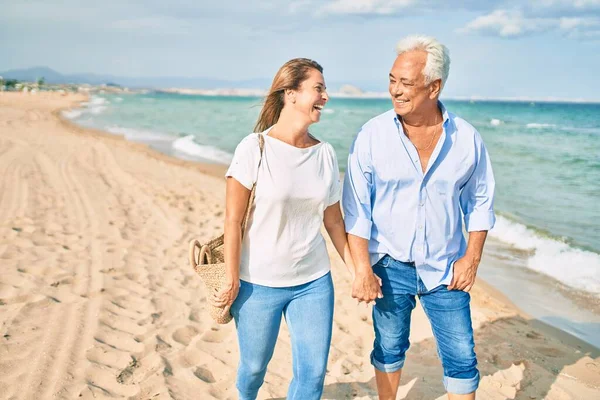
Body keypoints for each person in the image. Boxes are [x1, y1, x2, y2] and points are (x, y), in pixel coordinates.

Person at [343, 35, 496, 400]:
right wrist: (362, 268)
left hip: (446, 268)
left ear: (434, 86)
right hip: (389, 266)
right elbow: (356, 208)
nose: (395, 90)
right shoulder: (372, 135)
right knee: (390, 348)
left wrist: (471, 258)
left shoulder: (466, 139)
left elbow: (480, 201)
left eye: (406, 83)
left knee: (462, 358)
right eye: (392, 79)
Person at [211, 58, 355, 400]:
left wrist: (356, 269)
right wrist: (232, 277)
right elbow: (232, 219)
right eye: (318, 88)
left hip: (314, 282)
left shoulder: (325, 154)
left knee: (312, 374)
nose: (326, 96)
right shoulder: (254, 148)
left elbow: (333, 221)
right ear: (291, 94)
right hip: (258, 282)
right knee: (253, 368)